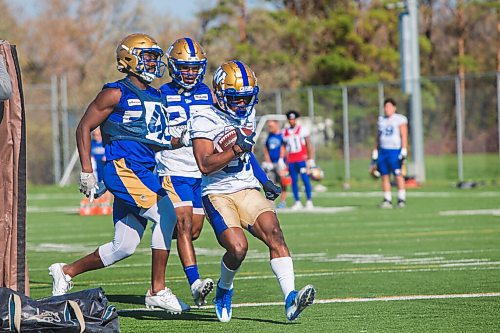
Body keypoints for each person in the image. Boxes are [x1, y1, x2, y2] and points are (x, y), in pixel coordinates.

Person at [48, 33, 186, 314]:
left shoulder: (156, 95)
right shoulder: (115, 92)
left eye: (155, 57)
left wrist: (179, 140)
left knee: (124, 246)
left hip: (143, 170)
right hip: (125, 168)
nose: (153, 63)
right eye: (148, 57)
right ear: (129, 59)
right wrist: (88, 171)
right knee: (168, 214)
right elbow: (84, 126)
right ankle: (157, 290)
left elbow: (153, 137)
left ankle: (66, 271)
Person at [190, 60, 315, 323]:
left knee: (275, 234)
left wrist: (264, 179)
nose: (242, 104)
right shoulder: (203, 117)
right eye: (236, 98)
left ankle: (290, 299)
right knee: (237, 248)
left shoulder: (247, 113)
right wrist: (234, 149)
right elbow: (204, 165)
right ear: (221, 94)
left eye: (247, 98)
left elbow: (247, 154)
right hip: (217, 192)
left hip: (246, 186)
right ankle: (224, 289)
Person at [156, 37, 214, 308]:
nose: (190, 73)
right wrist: (176, 137)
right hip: (172, 167)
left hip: (201, 171)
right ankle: (195, 284)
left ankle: (160, 234)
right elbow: (154, 133)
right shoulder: (160, 94)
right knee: (184, 224)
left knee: (193, 231)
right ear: (173, 67)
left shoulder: (210, 94)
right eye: (185, 67)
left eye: (194, 68)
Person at [372, 97, 408, 208]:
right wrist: (375, 149)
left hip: (394, 150)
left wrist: (404, 148)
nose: (387, 109)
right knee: (384, 175)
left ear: (394, 107)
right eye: (385, 106)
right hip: (383, 151)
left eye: (389, 106)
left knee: (398, 174)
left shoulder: (399, 119)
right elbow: (378, 136)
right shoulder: (381, 120)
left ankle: (401, 199)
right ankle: (387, 199)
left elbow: (404, 134)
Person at [280, 110, 315, 210]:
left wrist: (310, 158)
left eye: (293, 119)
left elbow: (308, 144)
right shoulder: (284, 132)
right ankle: (297, 201)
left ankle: (309, 200)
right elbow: (283, 146)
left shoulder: (302, 129)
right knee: (294, 181)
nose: (292, 121)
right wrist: (281, 159)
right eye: (290, 119)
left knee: (305, 179)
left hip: (301, 159)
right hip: (291, 160)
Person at [262, 120, 288, 208]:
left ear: (276, 125)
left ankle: (283, 202)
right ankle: (271, 202)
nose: (270, 128)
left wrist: (281, 159)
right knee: (270, 182)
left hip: (280, 162)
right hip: (271, 163)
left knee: (283, 182)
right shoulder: (269, 135)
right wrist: (268, 160)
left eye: (271, 126)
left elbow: (283, 147)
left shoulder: (281, 135)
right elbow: (266, 148)